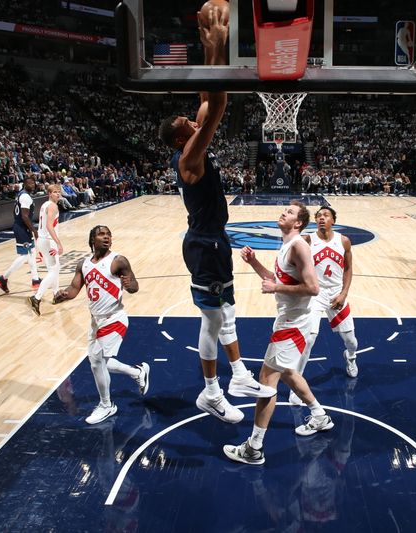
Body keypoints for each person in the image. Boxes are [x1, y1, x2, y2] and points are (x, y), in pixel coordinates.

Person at [158, 4, 273, 424]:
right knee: (212, 320)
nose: (192, 118)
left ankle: (238, 374)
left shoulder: (190, 147)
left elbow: (207, 98)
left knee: (225, 312)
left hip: (213, 239)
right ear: (181, 135)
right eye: (186, 120)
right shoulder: (189, 157)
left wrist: (209, 50)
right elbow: (218, 103)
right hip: (204, 243)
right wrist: (220, 50)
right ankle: (211, 392)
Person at [223, 201, 334, 465]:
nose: (284, 213)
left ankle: (254, 448)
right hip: (289, 320)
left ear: (298, 223)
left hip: (294, 323)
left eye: (290, 212)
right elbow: (278, 279)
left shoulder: (299, 246)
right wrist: (254, 263)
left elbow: (313, 288)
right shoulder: (286, 245)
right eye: (285, 210)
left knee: (266, 378)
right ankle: (319, 415)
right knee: (288, 373)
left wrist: (276, 290)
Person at [53, 225, 150, 425]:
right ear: (92, 240)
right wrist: (64, 295)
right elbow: (74, 288)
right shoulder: (84, 264)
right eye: (101, 234)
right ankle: (137, 372)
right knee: (97, 362)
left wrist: (130, 285)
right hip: (95, 320)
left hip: (115, 317)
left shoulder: (118, 261)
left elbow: (134, 286)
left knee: (98, 361)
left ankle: (107, 405)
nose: (106, 237)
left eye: (108, 234)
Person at [290, 206, 359, 406]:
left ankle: (351, 357)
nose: (321, 218)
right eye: (319, 216)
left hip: (337, 294)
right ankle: (297, 386)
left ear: (333, 221)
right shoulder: (308, 240)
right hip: (316, 295)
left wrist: (344, 294)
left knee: (351, 340)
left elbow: (348, 269)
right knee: (309, 339)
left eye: (326, 215)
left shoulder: (343, 241)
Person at [0, 176, 40, 294]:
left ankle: (35, 279)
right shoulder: (25, 196)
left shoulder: (21, 194)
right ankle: (3, 278)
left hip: (22, 226)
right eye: (30, 183)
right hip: (22, 227)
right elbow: (24, 216)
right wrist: (34, 230)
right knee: (24, 255)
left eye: (33, 183)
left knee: (32, 252)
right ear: (25, 184)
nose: (32, 185)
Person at [28, 184, 64, 315]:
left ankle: (56, 294)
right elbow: (49, 226)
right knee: (54, 271)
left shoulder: (44, 204)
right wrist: (58, 243)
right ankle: (36, 297)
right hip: (49, 242)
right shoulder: (53, 206)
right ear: (49, 193)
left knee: (53, 269)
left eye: (59, 192)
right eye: (55, 192)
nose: (57, 194)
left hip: (42, 240)